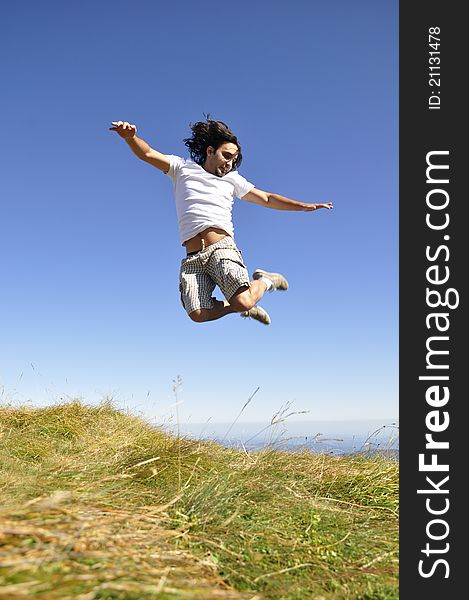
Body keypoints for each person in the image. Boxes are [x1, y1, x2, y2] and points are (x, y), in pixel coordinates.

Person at [109, 117, 333, 325]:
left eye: (234, 160)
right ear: (210, 151)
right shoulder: (181, 168)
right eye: (227, 156)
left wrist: (303, 206)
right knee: (198, 314)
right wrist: (130, 138)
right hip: (193, 256)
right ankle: (241, 309)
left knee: (244, 299)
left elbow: (266, 198)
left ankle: (266, 281)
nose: (230, 164)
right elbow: (147, 154)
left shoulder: (232, 180)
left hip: (221, 248)